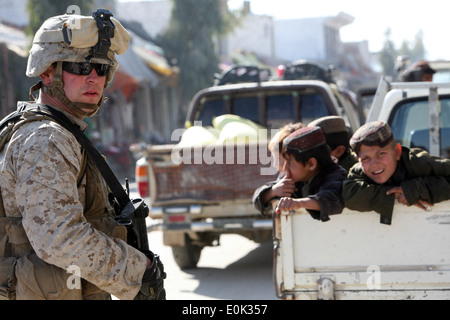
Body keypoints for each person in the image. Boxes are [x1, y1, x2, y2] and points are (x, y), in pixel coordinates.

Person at [0, 10, 164, 300]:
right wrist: (137, 269)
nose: (93, 78)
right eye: (79, 67)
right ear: (47, 71)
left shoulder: (60, 131)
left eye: (101, 69)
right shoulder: (47, 138)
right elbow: (59, 239)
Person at [342, 121, 450, 225]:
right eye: (365, 158)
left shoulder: (417, 163)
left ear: (397, 152)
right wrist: (394, 193)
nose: (374, 163)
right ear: (358, 160)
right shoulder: (359, 171)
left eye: (381, 153)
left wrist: (415, 189)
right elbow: (349, 194)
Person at [273, 126, 347, 222]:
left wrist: (298, 204)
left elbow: (330, 198)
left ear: (311, 164)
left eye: (289, 162)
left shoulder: (336, 175)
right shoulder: (298, 178)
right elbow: (263, 194)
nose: (284, 168)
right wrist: (273, 191)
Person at [252, 122, 304, 215]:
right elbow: (256, 200)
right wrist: (272, 192)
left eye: (278, 159)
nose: (275, 164)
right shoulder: (282, 179)